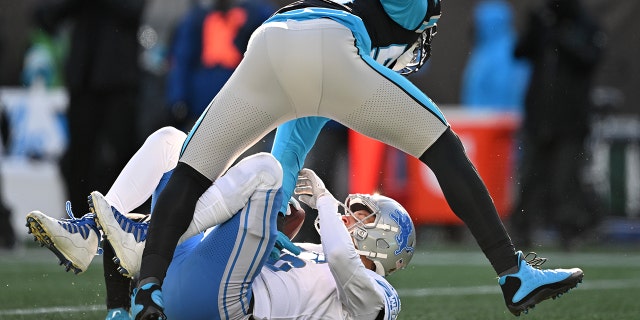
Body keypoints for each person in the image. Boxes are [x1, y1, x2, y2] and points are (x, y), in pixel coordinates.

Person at [130, 0, 584, 318]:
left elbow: (287, 159)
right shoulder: (410, 12)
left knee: (191, 171)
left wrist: (273, 226)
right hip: (332, 43)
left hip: (270, 44)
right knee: (444, 147)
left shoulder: (320, 88)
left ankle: (143, 288)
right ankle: (512, 271)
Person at [27, 125, 414, 318]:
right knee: (171, 143)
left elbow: (346, 265)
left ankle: (148, 237)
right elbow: (272, 267)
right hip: (203, 282)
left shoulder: (378, 294)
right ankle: (92, 238)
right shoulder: (320, 251)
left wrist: (326, 200)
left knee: (266, 169)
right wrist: (280, 232)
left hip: (229, 306)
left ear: (384, 239)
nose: (347, 217)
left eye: (360, 216)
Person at [33, 0, 145, 214]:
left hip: (119, 82)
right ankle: (78, 221)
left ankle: (122, 219)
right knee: (78, 159)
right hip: (84, 80)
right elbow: (45, 17)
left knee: (122, 156)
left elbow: (134, 11)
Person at [510, 0, 605, 249]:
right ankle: (522, 228)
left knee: (566, 178)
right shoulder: (543, 21)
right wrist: (536, 30)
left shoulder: (585, 24)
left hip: (570, 117)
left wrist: (561, 36)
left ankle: (570, 230)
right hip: (539, 113)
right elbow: (520, 52)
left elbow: (590, 58)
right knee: (530, 175)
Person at [166, 0, 275, 130]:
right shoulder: (196, 17)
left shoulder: (256, 13)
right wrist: (178, 98)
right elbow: (182, 60)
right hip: (201, 106)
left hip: (242, 103)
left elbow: (269, 56)